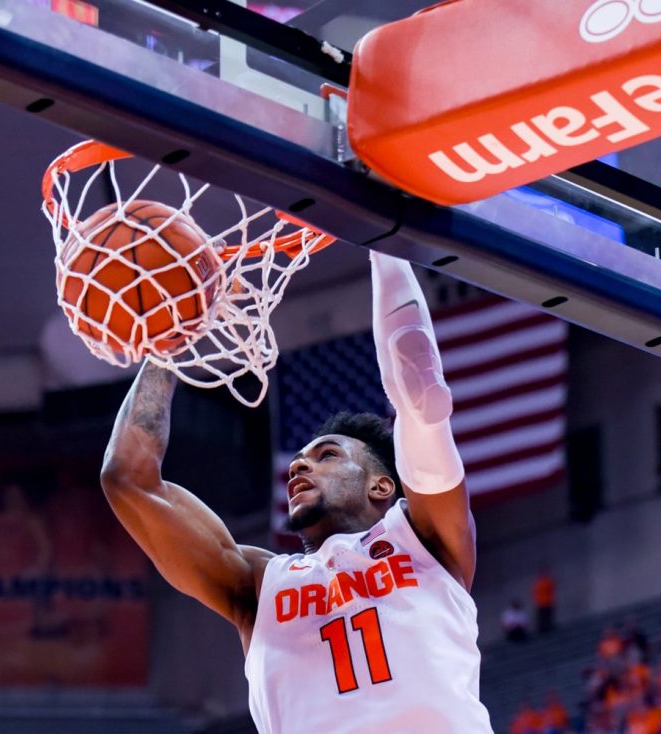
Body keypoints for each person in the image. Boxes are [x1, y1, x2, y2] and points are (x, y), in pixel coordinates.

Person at [100, 251, 493, 733]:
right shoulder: (257, 582)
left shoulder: (425, 538)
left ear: (382, 485)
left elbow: (420, 394)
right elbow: (129, 479)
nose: (300, 465)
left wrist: (382, 241)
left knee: (422, 405)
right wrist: (171, 345)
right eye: (298, 459)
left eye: (326, 455)